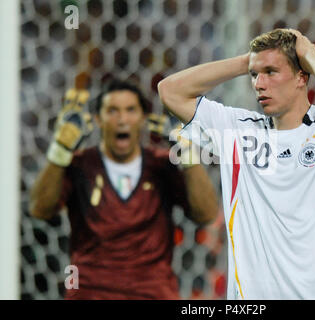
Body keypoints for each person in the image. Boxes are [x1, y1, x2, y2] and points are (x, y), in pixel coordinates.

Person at [158, 29, 315, 299]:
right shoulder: (237, 132)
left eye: (271, 72)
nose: (259, 83)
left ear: (301, 77)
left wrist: (309, 55)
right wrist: (247, 61)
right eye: (255, 75)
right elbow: (170, 91)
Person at [29, 80, 219, 299]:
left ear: (143, 119)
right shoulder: (79, 165)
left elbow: (206, 214)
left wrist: (186, 152)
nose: (122, 119)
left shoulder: (162, 165)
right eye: (112, 111)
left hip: (152, 293)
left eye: (130, 110)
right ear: (98, 120)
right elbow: (39, 210)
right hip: (91, 291)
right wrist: (60, 150)